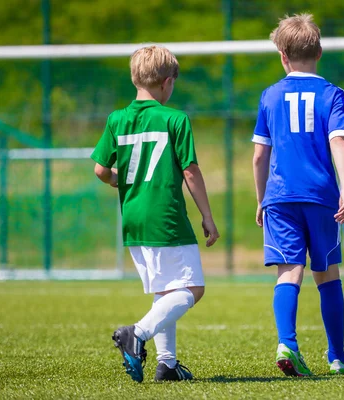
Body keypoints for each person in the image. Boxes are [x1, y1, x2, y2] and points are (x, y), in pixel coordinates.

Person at [91, 45, 219, 383]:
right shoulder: (174, 118)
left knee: (166, 290)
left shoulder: (116, 119)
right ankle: (138, 332)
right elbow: (190, 170)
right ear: (166, 82)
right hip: (166, 217)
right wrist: (207, 215)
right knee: (193, 288)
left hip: (133, 219)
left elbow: (101, 170)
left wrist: (125, 181)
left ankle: (168, 364)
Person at [252, 13, 344, 377]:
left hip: (280, 197)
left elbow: (260, 154)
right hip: (321, 196)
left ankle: (288, 344)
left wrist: (261, 197)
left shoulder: (270, 95)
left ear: (282, 55)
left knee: (288, 272)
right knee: (327, 273)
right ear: (320, 52)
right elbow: (338, 140)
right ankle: (337, 357)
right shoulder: (333, 94)